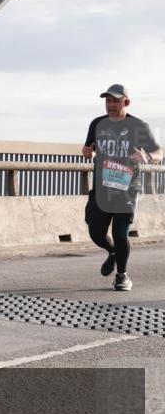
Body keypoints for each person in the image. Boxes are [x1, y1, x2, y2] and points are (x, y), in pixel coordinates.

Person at [82, 84, 161, 291]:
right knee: (96, 232)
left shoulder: (138, 126)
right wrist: (88, 152)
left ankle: (122, 275)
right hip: (102, 188)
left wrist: (146, 156)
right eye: (108, 101)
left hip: (127, 189)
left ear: (126, 102)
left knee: (120, 233)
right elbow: (90, 148)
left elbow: (159, 152)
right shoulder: (97, 124)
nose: (110, 105)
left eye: (115, 101)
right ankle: (113, 252)